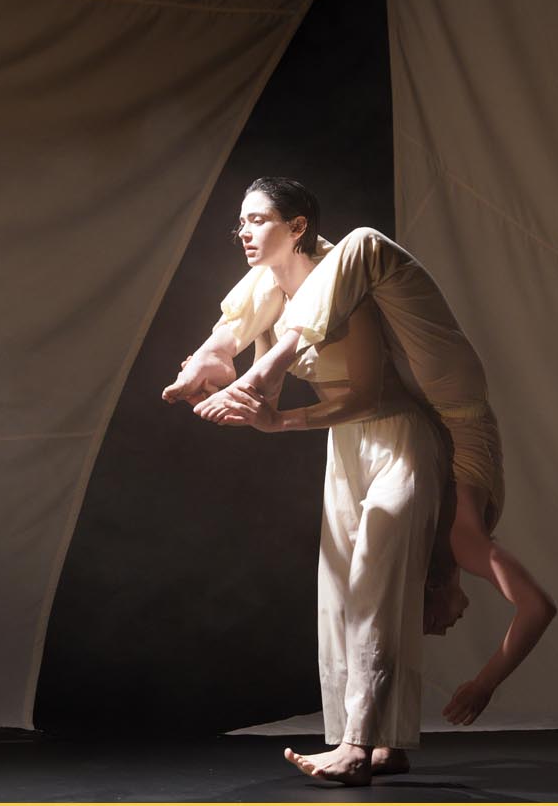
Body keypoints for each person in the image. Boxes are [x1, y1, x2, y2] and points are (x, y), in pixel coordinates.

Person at [163, 180, 556, 736]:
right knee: (336, 258)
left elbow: (531, 606)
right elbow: (535, 605)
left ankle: (251, 365)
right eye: (444, 616)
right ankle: (235, 360)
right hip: (451, 406)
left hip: (441, 404)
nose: (447, 620)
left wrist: (483, 681)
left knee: (361, 244)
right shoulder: (462, 539)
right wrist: (484, 682)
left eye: (255, 220)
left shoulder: (458, 540)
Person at [177, 178, 446, 785]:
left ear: (298, 226)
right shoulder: (270, 296)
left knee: (375, 585)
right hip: (344, 446)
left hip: (398, 438)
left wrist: (277, 421)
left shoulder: (346, 286)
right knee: (340, 593)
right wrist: (214, 377)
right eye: (240, 223)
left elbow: (368, 394)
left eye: (257, 220)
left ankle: (355, 747)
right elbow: (249, 364)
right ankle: (386, 742)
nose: (244, 233)